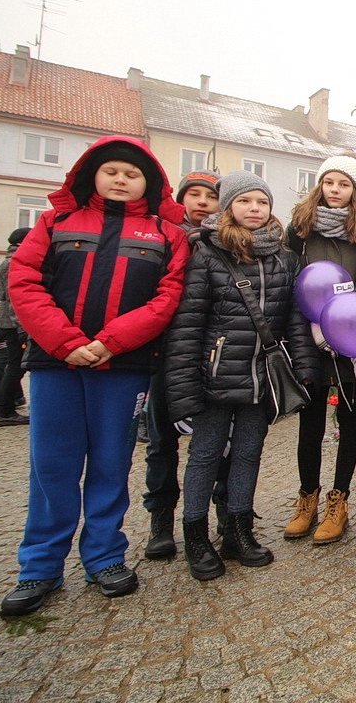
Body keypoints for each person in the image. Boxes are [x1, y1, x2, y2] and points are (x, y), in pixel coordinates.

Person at [0, 137, 189, 617]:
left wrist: (110, 342)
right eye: (112, 171)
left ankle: (104, 557)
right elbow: (24, 282)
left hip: (123, 367)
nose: (121, 179)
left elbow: (166, 298)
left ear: (148, 181)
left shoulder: (165, 235)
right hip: (55, 364)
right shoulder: (56, 223)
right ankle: (40, 567)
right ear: (92, 175)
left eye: (132, 173)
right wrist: (67, 342)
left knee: (111, 463)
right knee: (52, 465)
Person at [164, 171, 318, 581]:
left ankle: (238, 530)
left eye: (262, 202)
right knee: (204, 456)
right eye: (245, 201)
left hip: (260, 379)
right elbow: (188, 327)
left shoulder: (284, 257)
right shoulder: (208, 254)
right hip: (215, 377)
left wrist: (304, 372)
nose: (255, 209)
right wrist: (183, 389)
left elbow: (294, 322)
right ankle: (196, 537)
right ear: (229, 206)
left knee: (249, 455)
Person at [283, 155, 356, 545]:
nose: (335, 190)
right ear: (319, 186)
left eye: (344, 184)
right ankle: (308, 499)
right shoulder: (299, 230)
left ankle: (340, 500)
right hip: (310, 340)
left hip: (351, 337)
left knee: (349, 420)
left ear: (354, 191)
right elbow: (289, 282)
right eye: (330, 182)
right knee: (311, 421)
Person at [142, 169, 224, 560]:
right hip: (165, 353)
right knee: (162, 441)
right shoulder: (162, 238)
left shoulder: (227, 241)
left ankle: (226, 513)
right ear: (181, 199)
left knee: (218, 442)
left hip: (212, 356)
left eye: (210, 196)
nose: (203, 202)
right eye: (194, 194)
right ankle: (161, 520)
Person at [0, 227, 32, 427]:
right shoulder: (15, 261)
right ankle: (5, 410)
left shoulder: (9, 260)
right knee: (16, 366)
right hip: (13, 322)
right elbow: (16, 295)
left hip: (9, 320)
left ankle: (5, 408)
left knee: (13, 365)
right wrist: (22, 326)